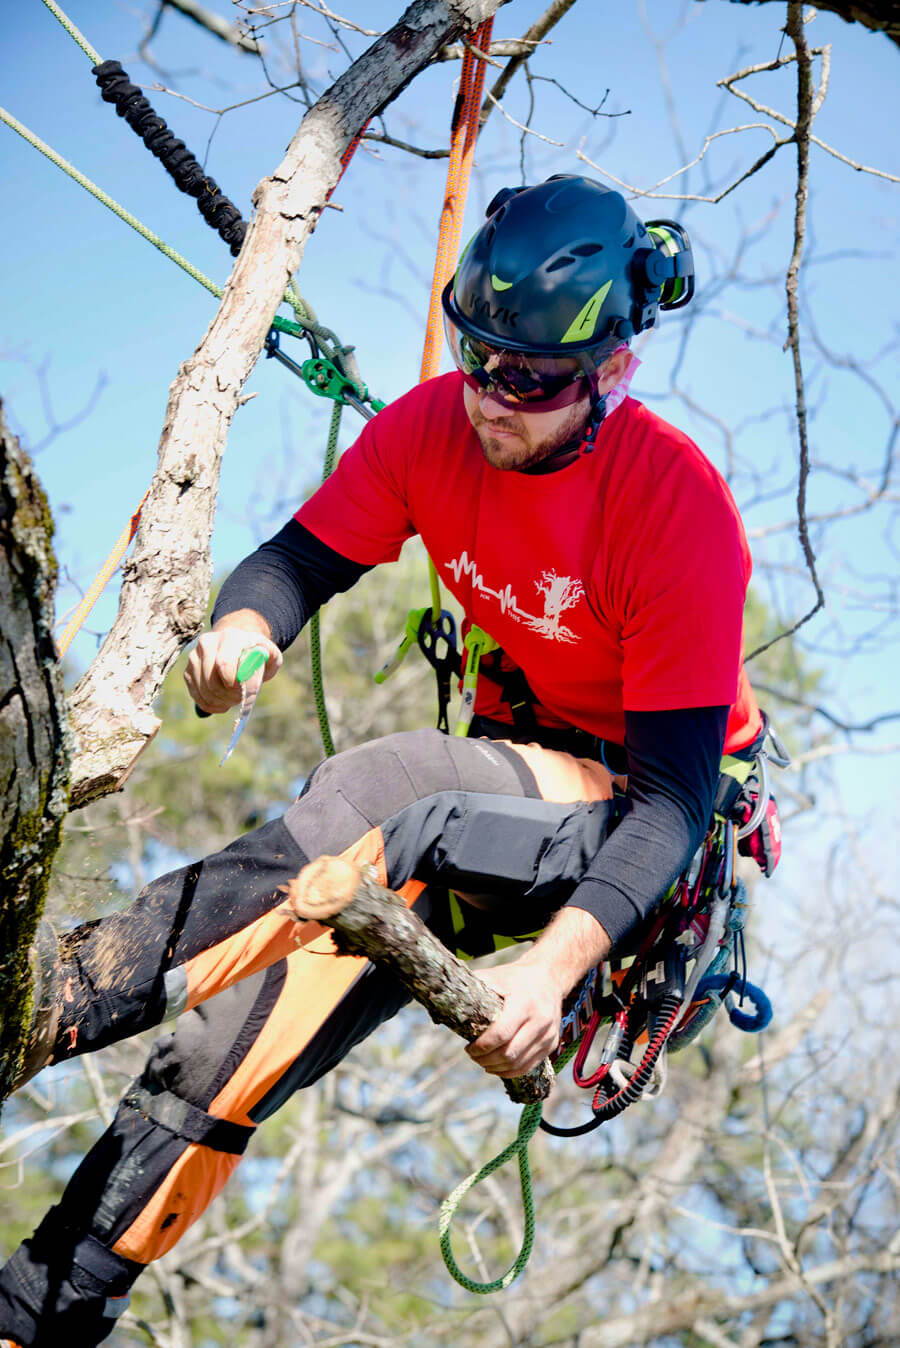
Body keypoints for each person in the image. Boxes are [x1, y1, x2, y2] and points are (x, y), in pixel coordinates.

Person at [0, 175, 762, 1347]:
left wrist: (554, 970)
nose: (494, 400)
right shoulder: (430, 428)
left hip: (632, 820)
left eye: (533, 379)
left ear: (612, 370)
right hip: (504, 780)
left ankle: (56, 993)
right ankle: (40, 1311)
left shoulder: (677, 509)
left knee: (398, 788)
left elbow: (669, 804)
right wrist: (247, 630)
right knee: (236, 1036)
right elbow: (297, 561)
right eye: (478, 357)